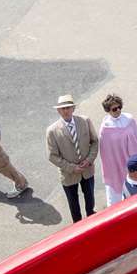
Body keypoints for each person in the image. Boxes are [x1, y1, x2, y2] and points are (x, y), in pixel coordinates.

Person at [46, 94, 98, 222]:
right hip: (68, 174)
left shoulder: (85, 121)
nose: (65, 111)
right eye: (62, 108)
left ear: (73, 108)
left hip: (87, 170)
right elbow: (52, 156)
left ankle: (92, 219)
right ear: (58, 110)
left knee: (90, 198)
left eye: (68, 107)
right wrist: (72, 168)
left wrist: (89, 160)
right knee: (73, 203)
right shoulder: (52, 131)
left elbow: (95, 141)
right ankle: (78, 225)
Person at [96, 94, 137, 206]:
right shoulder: (106, 128)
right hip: (118, 163)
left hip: (134, 160)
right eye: (114, 109)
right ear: (108, 111)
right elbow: (107, 153)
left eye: (119, 107)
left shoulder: (129, 119)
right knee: (119, 193)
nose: (118, 110)